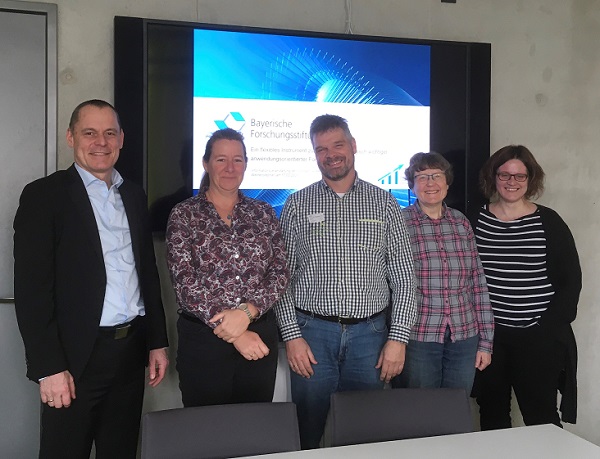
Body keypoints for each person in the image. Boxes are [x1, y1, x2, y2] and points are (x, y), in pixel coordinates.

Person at [13, 99, 169, 459]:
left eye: (109, 133)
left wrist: (156, 342)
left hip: (129, 353)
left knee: (121, 451)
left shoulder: (133, 193)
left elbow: (146, 272)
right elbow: (32, 292)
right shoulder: (43, 196)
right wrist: (48, 367)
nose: (101, 142)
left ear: (122, 139)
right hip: (74, 358)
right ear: (71, 137)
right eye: (90, 133)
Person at [274, 114, 417, 449]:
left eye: (337, 144)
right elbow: (281, 277)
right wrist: (292, 337)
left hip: (371, 337)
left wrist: (398, 339)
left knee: (363, 432)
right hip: (312, 335)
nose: (330, 154)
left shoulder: (384, 203)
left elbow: (404, 277)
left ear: (353, 146)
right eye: (321, 149)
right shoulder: (297, 204)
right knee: (307, 429)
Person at [166, 128, 289, 407]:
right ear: (206, 163)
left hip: (259, 336)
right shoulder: (184, 214)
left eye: (238, 160)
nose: (230, 168)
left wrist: (246, 313)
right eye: (221, 160)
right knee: (206, 433)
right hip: (203, 343)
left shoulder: (264, 213)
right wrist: (236, 333)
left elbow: (280, 272)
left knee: (254, 429)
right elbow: (185, 280)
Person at [473, 145, 581, 429]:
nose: (512, 182)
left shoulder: (549, 222)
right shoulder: (475, 220)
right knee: (492, 414)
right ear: (493, 177)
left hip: (538, 338)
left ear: (530, 179)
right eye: (505, 175)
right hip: (489, 339)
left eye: (520, 176)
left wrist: (545, 329)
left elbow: (571, 283)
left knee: (541, 416)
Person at [391, 152, 494, 394]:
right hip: (419, 336)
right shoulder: (399, 223)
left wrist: (486, 343)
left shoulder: (461, 223)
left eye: (437, 176)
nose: (430, 183)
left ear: (447, 182)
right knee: (420, 412)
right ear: (412, 185)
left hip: (465, 335)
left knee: (456, 409)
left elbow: (477, 283)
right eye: (422, 177)